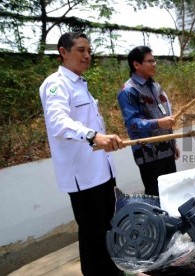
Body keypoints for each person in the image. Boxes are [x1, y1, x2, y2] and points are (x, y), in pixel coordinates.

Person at [39, 32, 124, 275]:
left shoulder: (79, 83)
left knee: (108, 228)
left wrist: (102, 137)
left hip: (101, 170)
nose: (87, 55)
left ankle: (113, 271)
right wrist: (94, 136)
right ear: (63, 52)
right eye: (80, 50)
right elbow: (58, 123)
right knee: (93, 234)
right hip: (84, 177)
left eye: (89, 51)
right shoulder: (56, 84)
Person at [117, 46, 180, 196]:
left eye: (154, 60)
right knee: (156, 194)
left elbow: (164, 113)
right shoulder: (128, 91)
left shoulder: (156, 86)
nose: (154, 64)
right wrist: (158, 123)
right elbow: (132, 124)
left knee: (172, 190)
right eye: (149, 61)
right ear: (136, 64)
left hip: (166, 149)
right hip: (148, 155)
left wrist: (172, 142)